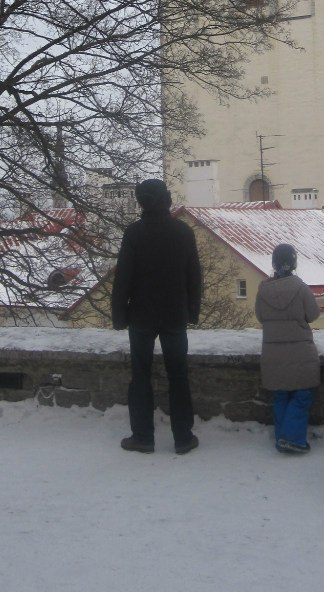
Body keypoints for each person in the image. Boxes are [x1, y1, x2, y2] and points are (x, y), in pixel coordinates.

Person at [111, 178, 202, 455]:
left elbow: (123, 278)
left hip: (141, 314)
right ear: (166, 199)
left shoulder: (134, 234)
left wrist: (119, 315)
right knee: (179, 375)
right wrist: (192, 312)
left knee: (140, 376)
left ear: (141, 202)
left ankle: (143, 437)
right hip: (175, 313)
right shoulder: (183, 232)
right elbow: (193, 277)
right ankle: (183, 437)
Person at [255, 243, 320, 454]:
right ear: (293, 263)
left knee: (280, 395)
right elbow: (313, 314)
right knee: (302, 395)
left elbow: (261, 317)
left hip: (273, 353)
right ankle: (293, 438)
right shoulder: (300, 288)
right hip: (300, 351)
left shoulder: (263, 290)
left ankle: (281, 437)